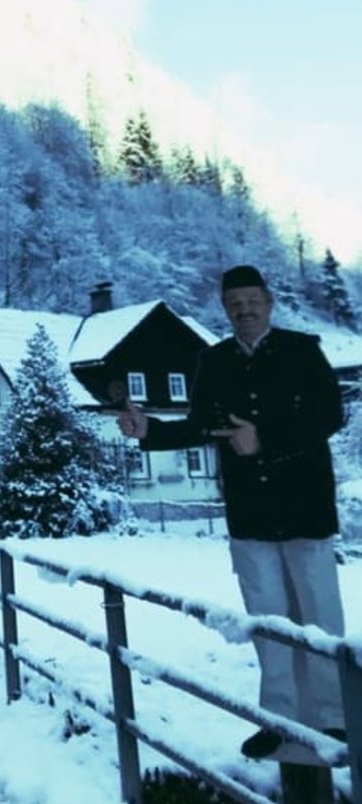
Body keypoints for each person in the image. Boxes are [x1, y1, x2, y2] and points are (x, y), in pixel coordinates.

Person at [117, 264, 346, 760]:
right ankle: (278, 720)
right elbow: (201, 426)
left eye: (251, 301)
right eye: (234, 304)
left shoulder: (303, 352)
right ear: (225, 309)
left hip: (306, 505)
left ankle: (337, 719)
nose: (244, 310)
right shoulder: (213, 361)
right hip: (250, 512)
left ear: (268, 301)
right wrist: (148, 431)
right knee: (266, 621)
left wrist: (263, 438)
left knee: (319, 616)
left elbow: (330, 415)